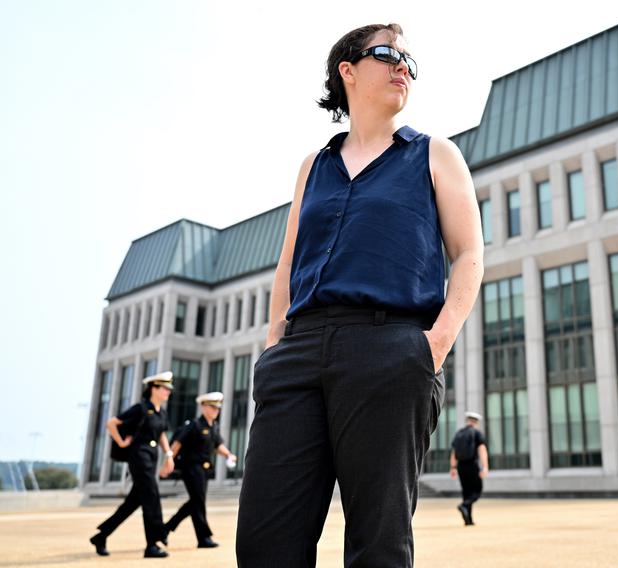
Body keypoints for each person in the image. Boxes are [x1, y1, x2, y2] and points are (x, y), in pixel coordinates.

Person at [235, 22, 483, 568]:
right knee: (264, 542)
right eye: (389, 54)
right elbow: (289, 261)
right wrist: (275, 344)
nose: (404, 68)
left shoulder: (436, 155)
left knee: (378, 543)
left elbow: (469, 254)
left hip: (389, 349)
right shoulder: (314, 166)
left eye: (410, 63)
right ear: (347, 70)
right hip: (297, 355)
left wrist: (432, 345)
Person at [90, 372, 175, 558]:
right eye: (165, 388)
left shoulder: (162, 412)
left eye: (170, 388)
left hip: (151, 457)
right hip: (139, 456)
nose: (169, 391)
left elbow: (161, 435)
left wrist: (169, 455)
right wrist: (121, 442)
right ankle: (152, 543)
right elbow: (112, 423)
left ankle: (101, 535)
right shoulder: (141, 408)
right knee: (151, 495)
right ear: (154, 388)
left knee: (132, 503)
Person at [163, 392, 237, 548]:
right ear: (203, 407)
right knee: (198, 502)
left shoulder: (214, 426)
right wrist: (168, 462)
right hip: (191, 468)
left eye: (218, 408)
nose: (216, 411)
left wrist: (228, 454)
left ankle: (166, 528)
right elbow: (177, 444)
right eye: (213, 407)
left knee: (195, 502)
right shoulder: (194, 425)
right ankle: (203, 538)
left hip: (204, 470)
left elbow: (218, 445)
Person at [449, 411, 489, 526]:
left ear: (467, 421)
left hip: (461, 466)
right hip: (472, 465)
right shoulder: (476, 433)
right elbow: (482, 450)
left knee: (466, 492)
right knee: (477, 490)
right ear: (476, 422)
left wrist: (453, 467)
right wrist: (485, 467)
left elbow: (454, 452)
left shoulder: (459, 434)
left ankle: (468, 520)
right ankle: (464, 505)